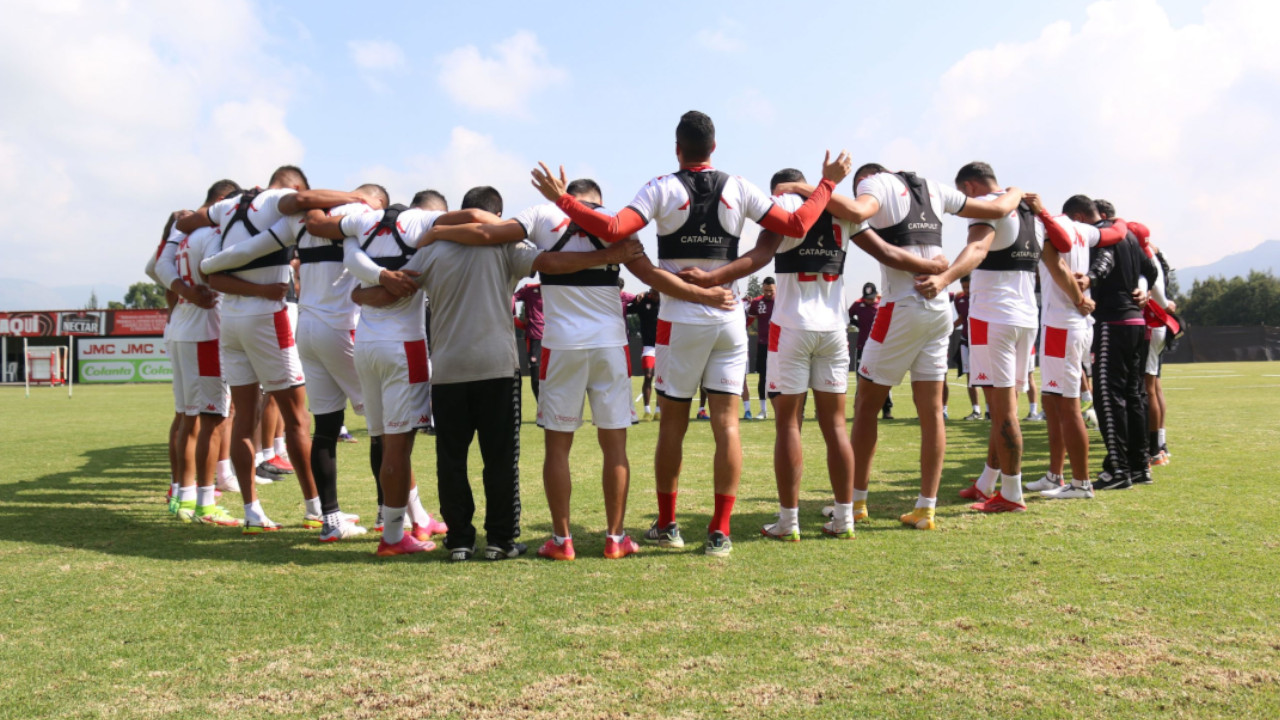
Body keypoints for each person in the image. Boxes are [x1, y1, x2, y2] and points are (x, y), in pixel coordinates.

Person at [530, 110, 851, 555]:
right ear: (714, 148)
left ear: (677, 149)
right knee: (727, 425)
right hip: (729, 316)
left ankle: (667, 525)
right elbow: (795, 226)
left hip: (679, 318)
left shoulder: (660, 186)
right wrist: (827, 184)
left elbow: (612, 229)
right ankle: (720, 532)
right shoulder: (739, 186)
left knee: (673, 428)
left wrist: (564, 200)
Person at [424, 178, 733, 561]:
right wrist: (708, 295)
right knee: (614, 446)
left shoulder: (540, 215)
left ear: (568, 194)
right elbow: (653, 278)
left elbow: (487, 230)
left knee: (558, 447)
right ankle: (616, 538)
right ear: (596, 201)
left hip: (560, 346)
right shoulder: (615, 221)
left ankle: (561, 540)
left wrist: (433, 231)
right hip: (610, 345)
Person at [353, 186, 646, 560]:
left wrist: (359, 295)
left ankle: (459, 541)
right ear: (498, 214)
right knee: (500, 460)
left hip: (447, 369)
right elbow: (551, 264)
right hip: (497, 367)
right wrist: (609, 256)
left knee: (452, 460)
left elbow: (394, 289)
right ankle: (501, 540)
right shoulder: (508, 247)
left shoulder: (431, 250)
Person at [822, 163, 1022, 530]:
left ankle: (856, 501)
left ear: (866, 178)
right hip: (939, 307)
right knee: (932, 412)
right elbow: (996, 209)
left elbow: (855, 212)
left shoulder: (874, 183)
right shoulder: (933, 186)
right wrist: (1016, 191)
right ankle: (925, 508)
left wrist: (811, 188)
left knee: (866, 406)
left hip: (900, 306)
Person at [175, 166, 367, 533]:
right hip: (269, 318)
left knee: (244, 417)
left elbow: (189, 228)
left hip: (230, 319)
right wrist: (355, 198)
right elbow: (303, 201)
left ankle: (252, 510)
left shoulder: (227, 206)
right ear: (293, 187)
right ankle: (315, 508)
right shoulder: (279, 201)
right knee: (297, 417)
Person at [677, 167, 857, 539]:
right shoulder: (840, 209)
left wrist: (713, 277)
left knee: (788, 424)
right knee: (836, 426)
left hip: (792, 325)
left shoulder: (785, 203)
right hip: (835, 327)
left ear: (779, 188)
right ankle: (845, 518)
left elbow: (761, 254)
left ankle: (789, 521)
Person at [937, 161, 1044, 514]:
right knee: (1004, 405)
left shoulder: (990, 208)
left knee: (1002, 410)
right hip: (1026, 315)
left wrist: (946, 278)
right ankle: (987, 481)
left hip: (993, 316)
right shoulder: (1031, 212)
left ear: (970, 187)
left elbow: (978, 249)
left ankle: (1011, 493)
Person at [154, 181, 243, 527]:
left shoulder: (183, 236)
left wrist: (183, 291)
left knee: (186, 417)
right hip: (205, 334)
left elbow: (159, 267)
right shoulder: (213, 236)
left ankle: (182, 495)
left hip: (180, 329)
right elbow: (220, 275)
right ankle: (205, 504)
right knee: (213, 420)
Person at [1018, 192, 1118, 499]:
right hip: (1065, 324)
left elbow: (1057, 267)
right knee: (1052, 402)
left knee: (1068, 406)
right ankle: (1055, 475)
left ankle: (1081, 483)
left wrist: (1079, 299)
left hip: (1063, 323)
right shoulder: (1085, 230)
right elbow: (1120, 229)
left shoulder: (1052, 225)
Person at [1062, 195, 1157, 490]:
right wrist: (1142, 289)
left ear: (1078, 219)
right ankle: (1140, 465)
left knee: (1108, 398)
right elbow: (1151, 269)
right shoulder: (1127, 233)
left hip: (1112, 323)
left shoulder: (1103, 235)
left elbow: (1105, 260)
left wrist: (1089, 278)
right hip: (1135, 323)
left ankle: (1118, 470)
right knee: (1134, 396)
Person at [847, 284, 892, 421]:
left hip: (881, 347)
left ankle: (887, 410)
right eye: (867, 298)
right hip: (862, 346)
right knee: (861, 379)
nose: (869, 301)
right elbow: (847, 315)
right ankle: (858, 409)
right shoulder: (858, 304)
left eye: (871, 298)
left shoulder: (882, 303)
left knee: (883, 378)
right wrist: (856, 323)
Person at [951, 276, 983, 419]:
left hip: (983, 342)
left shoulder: (984, 297)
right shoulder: (959, 299)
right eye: (964, 287)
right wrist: (946, 328)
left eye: (969, 286)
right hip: (966, 341)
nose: (967, 290)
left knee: (988, 376)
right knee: (971, 377)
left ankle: (990, 410)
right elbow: (961, 319)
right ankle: (976, 410)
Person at [626, 288, 661, 420]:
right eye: (651, 293)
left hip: (664, 346)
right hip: (648, 346)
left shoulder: (667, 301)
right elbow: (627, 310)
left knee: (661, 379)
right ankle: (647, 411)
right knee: (648, 375)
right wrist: (639, 296)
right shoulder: (644, 301)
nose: (653, 297)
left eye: (656, 294)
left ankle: (658, 411)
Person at [744, 278, 775, 420]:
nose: (768, 293)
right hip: (763, 344)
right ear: (762, 289)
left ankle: (782, 410)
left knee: (783, 377)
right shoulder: (757, 302)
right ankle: (763, 410)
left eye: (771, 290)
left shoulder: (782, 300)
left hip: (780, 344)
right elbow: (749, 320)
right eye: (766, 290)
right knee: (763, 377)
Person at [513, 281, 544, 402]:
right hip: (535, 339)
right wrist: (516, 320)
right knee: (536, 378)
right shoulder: (529, 289)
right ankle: (542, 408)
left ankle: (555, 410)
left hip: (556, 339)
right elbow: (512, 298)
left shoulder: (558, 289)